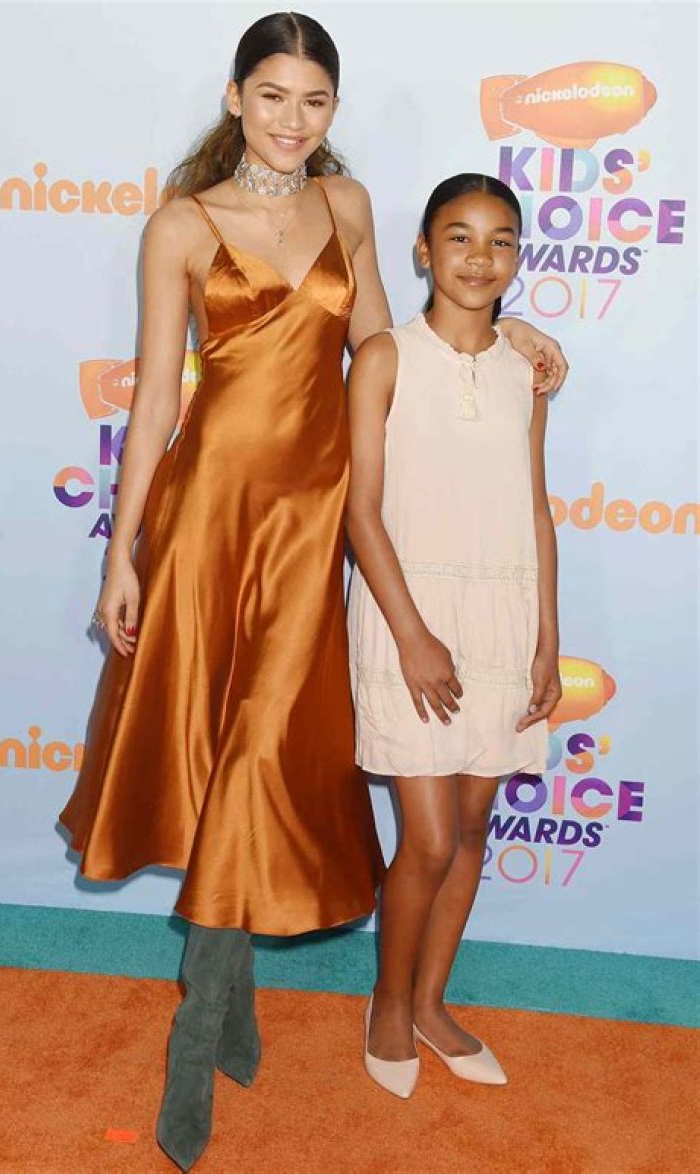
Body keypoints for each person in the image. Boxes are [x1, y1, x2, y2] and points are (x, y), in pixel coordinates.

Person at [58, 11, 566, 1168]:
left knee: (262, 753)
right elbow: (155, 399)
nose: (293, 120)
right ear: (236, 98)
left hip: (315, 521)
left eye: (315, 100)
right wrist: (121, 550)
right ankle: (207, 1026)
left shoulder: (348, 205)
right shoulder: (181, 224)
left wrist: (511, 327)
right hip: (209, 514)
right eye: (274, 95)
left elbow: (389, 351)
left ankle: (218, 1010)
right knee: (214, 751)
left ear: (334, 108)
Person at [346, 173, 562, 1099]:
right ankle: (389, 1005)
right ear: (424, 251)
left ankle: (433, 1004)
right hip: (408, 615)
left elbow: (535, 508)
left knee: (473, 826)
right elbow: (360, 510)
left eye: (501, 240)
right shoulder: (384, 358)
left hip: (505, 617)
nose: (480, 258)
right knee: (429, 840)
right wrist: (413, 636)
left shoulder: (526, 371)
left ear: (518, 256)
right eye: (460, 238)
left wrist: (548, 639)